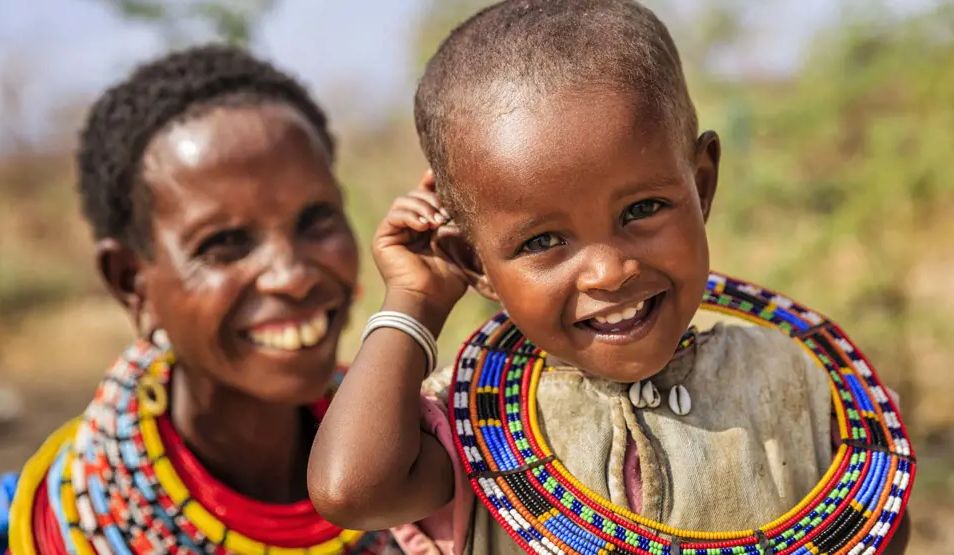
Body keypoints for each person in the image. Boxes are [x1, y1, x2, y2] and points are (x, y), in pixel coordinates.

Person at [307, 1, 913, 554]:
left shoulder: (802, 381)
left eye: (642, 210)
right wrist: (415, 301)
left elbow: (878, 526)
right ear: (472, 263)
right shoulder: (470, 426)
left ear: (701, 186)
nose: (610, 270)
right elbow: (351, 491)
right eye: (543, 241)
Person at [0, 44, 400, 554]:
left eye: (316, 219)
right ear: (131, 281)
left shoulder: (428, 453)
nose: (293, 276)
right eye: (224, 243)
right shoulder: (40, 530)